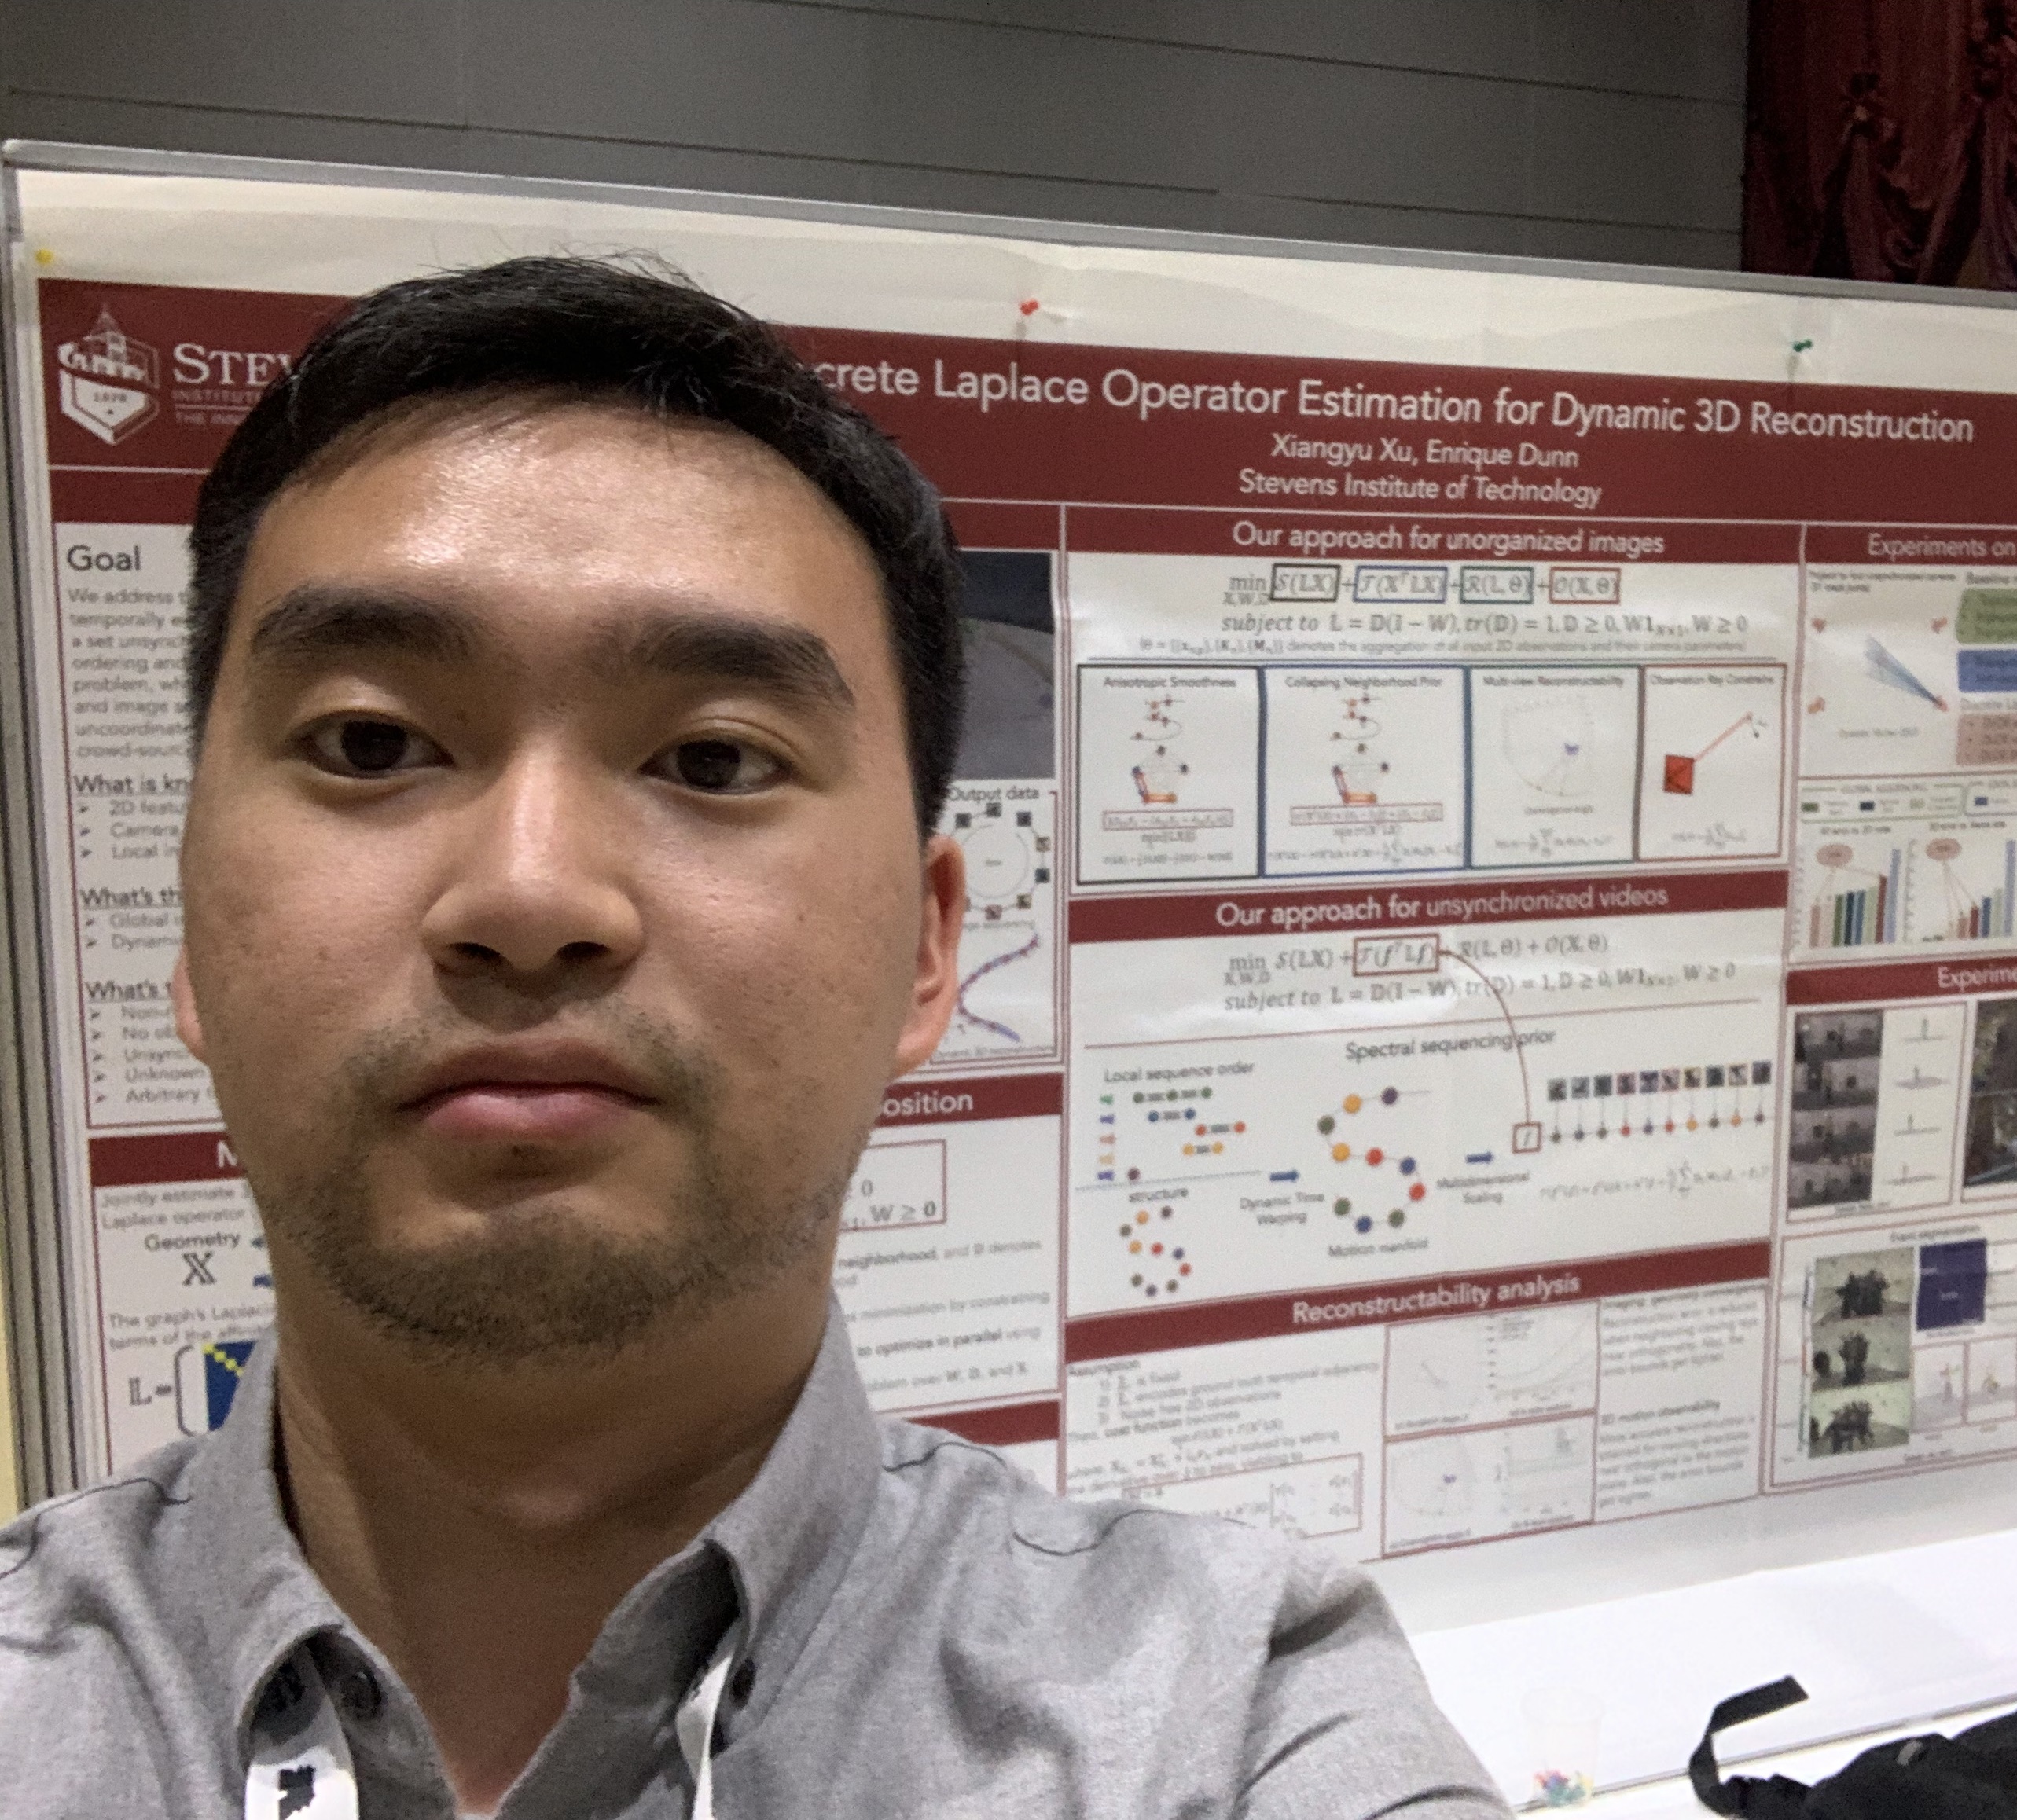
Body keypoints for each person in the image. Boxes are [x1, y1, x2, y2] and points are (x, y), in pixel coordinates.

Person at [0, 259, 1508, 1820]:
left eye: (715, 760)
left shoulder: (1230, 1714)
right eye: (371, 743)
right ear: (185, 920)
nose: (529, 894)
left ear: (926, 950)